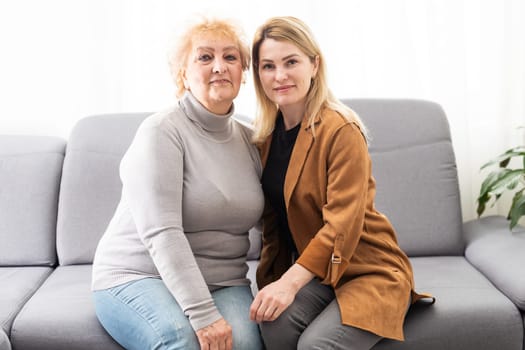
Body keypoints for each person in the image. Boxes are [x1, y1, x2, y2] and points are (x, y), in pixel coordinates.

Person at [248, 16, 433, 350]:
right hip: (320, 275)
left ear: (314, 64)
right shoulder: (264, 137)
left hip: (368, 271)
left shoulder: (341, 129)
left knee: (315, 347)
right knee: (272, 327)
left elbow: (342, 225)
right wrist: (270, 285)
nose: (280, 76)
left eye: (291, 62)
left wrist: (289, 284)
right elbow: (273, 224)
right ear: (258, 73)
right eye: (268, 66)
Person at [91, 16, 265, 350]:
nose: (219, 66)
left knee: (245, 345)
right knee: (183, 342)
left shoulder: (251, 140)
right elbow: (161, 232)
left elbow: (275, 221)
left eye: (230, 57)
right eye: (204, 57)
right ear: (182, 73)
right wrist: (204, 316)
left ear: (243, 73)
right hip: (139, 275)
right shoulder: (161, 132)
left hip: (224, 283)